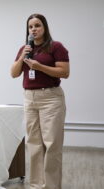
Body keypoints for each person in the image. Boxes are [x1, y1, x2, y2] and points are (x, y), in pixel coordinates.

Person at [11, 13, 70, 189]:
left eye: (37, 25)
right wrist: (23, 56)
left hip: (50, 98)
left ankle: (51, 186)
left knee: (51, 144)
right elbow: (14, 73)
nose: (33, 29)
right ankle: (36, 185)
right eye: (30, 27)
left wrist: (39, 66)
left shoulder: (55, 46)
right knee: (34, 144)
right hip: (30, 98)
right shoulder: (25, 49)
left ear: (44, 27)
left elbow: (64, 72)